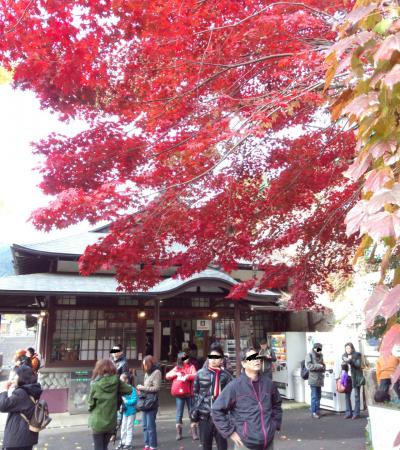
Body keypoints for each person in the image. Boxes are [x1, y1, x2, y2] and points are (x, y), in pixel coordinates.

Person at [212, 347, 282, 450]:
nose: (257, 360)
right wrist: (230, 432)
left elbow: (277, 404)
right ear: (244, 364)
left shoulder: (268, 384)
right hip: (245, 443)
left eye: (257, 357)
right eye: (252, 358)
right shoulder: (235, 386)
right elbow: (216, 410)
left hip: (268, 442)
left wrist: (274, 424)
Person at [192, 344, 233, 450]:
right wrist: (195, 414)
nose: (213, 360)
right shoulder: (200, 374)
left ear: (221, 360)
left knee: (222, 446)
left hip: (221, 417)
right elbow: (195, 394)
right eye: (211, 357)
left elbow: (231, 397)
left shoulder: (227, 376)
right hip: (205, 417)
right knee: (206, 446)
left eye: (217, 357)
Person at [88, 359, 132, 450]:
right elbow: (129, 390)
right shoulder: (117, 381)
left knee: (98, 447)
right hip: (111, 422)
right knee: (105, 447)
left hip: (97, 422)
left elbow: (90, 404)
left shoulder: (95, 384)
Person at [0, 365, 42, 450]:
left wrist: (4, 390)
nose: (13, 378)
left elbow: (3, 405)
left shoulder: (21, 393)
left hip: (17, 439)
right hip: (26, 437)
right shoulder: (31, 390)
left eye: (16, 375)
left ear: (22, 377)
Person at [166, 351, 198, 441]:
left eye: (187, 357)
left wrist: (187, 376)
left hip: (190, 393)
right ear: (180, 359)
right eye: (184, 358)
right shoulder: (177, 368)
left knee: (192, 412)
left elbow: (195, 375)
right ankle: (179, 432)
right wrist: (176, 374)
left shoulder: (191, 366)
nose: (186, 359)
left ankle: (194, 431)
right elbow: (167, 376)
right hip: (180, 394)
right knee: (179, 413)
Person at [136, 355, 161, 450]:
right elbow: (147, 387)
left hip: (152, 402)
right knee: (145, 426)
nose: (144, 367)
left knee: (150, 426)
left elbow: (156, 388)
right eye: (143, 365)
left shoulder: (157, 372)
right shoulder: (147, 373)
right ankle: (147, 445)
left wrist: (143, 388)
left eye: (145, 365)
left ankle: (153, 446)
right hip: (144, 402)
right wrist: (141, 390)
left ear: (150, 364)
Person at [342, 342, 364, 419]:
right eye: (346, 348)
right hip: (347, 378)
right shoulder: (344, 355)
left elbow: (358, 365)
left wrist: (350, 361)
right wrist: (344, 364)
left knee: (356, 396)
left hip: (356, 378)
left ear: (352, 348)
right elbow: (344, 368)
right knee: (347, 395)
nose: (347, 350)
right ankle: (348, 413)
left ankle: (356, 413)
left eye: (349, 348)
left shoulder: (357, 355)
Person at [117, 373, 137, 450]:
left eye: (122, 380)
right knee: (123, 427)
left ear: (126, 380)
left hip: (131, 411)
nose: (120, 382)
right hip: (124, 412)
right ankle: (122, 442)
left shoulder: (132, 389)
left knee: (129, 427)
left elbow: (134, 400)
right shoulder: (121, 390)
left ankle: (128, 443)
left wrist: (126, 401)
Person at [305, 342, 326, 419]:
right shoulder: (309, 355)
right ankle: (313, 412)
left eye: (320, 349)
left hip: (320, 378)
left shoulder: (321, 355)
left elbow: (323, 364)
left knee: (319, 395)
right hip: (313, 378)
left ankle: (317, 410)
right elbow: (308, 366)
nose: (320, 351)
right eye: (318, 349)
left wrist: (323, 367)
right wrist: (319, 366)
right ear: (314, 348)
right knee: (314, 396)